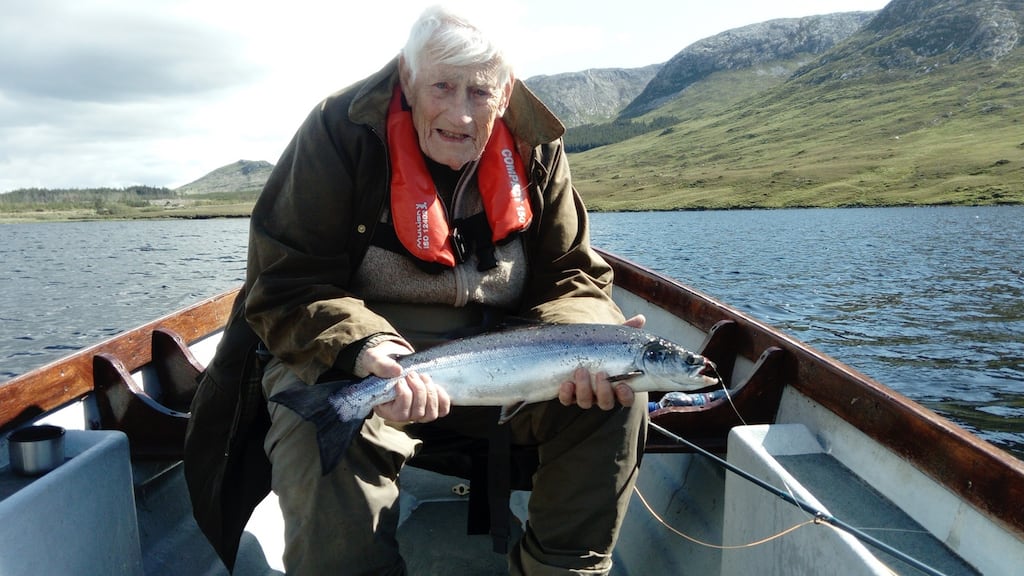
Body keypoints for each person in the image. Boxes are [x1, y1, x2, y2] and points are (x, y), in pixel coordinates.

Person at [185, 5, 647, 575]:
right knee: (317, 433)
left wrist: (585, 341)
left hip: (507, 358)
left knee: (618, 400)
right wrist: (364, 347)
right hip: (355, 354)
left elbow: (572, 274)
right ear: (408, 79)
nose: (460, 112)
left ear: (505, 95)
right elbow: (284, 281)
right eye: (442, 87)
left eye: (480, 93)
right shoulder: (339, 130)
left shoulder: (537, 147)